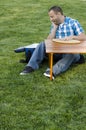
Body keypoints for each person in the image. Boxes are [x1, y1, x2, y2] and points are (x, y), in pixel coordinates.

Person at [20, 6, 86, 79]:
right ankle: (30, 66)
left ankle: (52, 72)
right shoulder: (54, 23)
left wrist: (73, 37)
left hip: (70, 52)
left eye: (52, 17)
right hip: (56, 51)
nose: (50, 19)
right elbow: (48, 41)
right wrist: (54, 29)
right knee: (43, 43)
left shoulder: (73, 22)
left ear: (58, 14)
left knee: (73, 54)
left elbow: (83, 37)